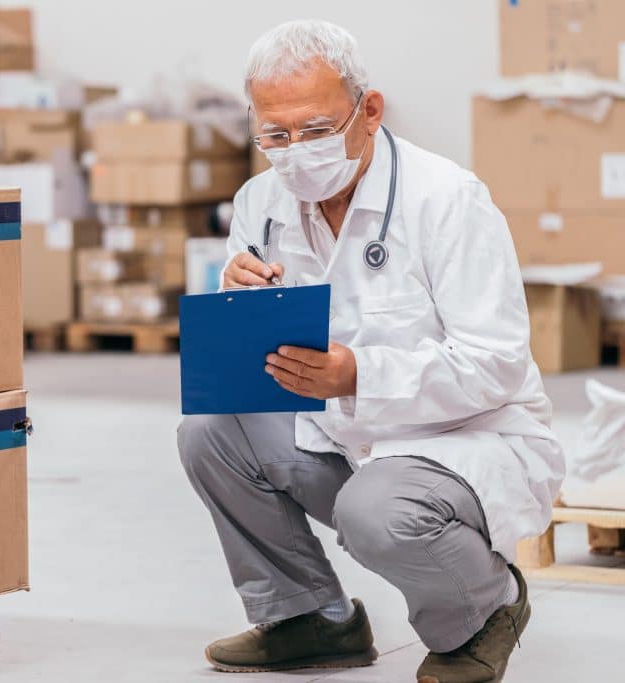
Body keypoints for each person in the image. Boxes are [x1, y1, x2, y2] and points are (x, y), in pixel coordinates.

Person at [177, 19, 564, 683]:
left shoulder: (446, 201)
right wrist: (234, 297)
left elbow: (495, 363)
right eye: (275, 135)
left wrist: (356, 373)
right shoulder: (260, 204)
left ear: (370, 110)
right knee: (209, 432)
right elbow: (257, 361)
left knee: (374, 509)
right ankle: (311, 618)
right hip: (345, 433)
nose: (295, 152)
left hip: (463, 438)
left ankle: (486, 608)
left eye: (316, 129)